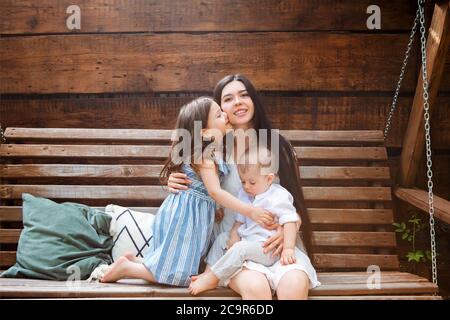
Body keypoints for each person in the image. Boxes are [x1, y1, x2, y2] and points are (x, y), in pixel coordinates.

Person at [167, 75, 320, 299]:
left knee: (294, 286)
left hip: (279, 246)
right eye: (228, 99)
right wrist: (173, 181)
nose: (238, 102)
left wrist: (287, 230)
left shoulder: (276, 147)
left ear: (254, 101)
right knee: (257, 290)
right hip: (234, 247)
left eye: (244, 95)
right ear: (219, 110)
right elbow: (194, 186)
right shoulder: (213, 152)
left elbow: (295, 206)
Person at [100, 96, 274, 286]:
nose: (225, 115)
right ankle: (128, 269)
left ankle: (135, 262)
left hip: (191, 215)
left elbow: (207, 189)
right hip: (185, 217)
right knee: (180, 276)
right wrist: (249, 210)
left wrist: (214, 208)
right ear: (206, 132)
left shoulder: (212, 152)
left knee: (178, 265)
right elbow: (215, 191)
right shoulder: (204, 155)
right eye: (219, 114)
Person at [189, 146, 300, 295]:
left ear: (269, 179)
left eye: (252, 182)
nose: (246, 187)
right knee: (223, 238)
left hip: (267, 248)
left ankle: (212, 278)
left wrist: (288, 248)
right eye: (242, 181)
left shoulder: (278, 196)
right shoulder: (245, 194)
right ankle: (209, 271)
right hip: (247, 241)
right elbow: (239, 222)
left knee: (240, 249)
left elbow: (290, 220)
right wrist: (234, 236)